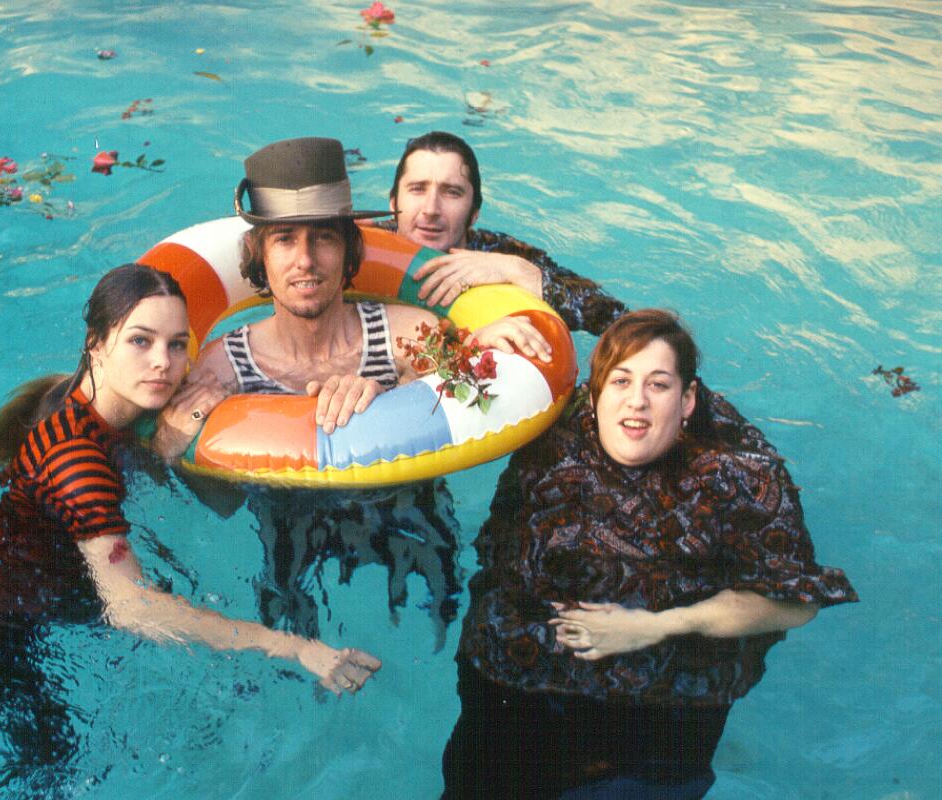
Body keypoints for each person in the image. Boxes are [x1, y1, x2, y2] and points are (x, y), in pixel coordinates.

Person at [0, 264, 380, 781]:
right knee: (53, 763)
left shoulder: (73, 398)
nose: (162, 364)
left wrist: (163, 448)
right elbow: (129, 608)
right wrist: (292, 646)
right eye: (140, 342)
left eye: (175, 345)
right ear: (97, 344)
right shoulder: (77, 461)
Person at [442, 309, 858, 799]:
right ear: (594, 397)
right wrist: (472, 338)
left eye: (658, 385)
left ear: (687, 400)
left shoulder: (739, 477)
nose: (636, 402)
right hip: (514, 686)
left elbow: (798, 602)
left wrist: (651, 627)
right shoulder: (555, 432)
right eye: (621, 381)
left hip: (657, 720)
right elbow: (442, 393)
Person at [154, 137, 547, 648]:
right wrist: (172, 445)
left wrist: (470, 355)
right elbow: (217, 501)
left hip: (411, 520)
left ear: (349, 250)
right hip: (288, 534)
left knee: (442, 630)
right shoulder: (223, 367)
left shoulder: (408, 334)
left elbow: (476, 386)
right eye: (284, 240)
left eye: (324, 238)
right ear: (259, 258)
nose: (305, 261)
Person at [380, 130, 626, 334]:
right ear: (393, 204)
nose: (431, 208)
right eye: (417, 189)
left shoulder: (500, 251)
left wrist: (519, 272)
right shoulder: (364, 246)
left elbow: (617, 319)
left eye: (452, 192)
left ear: (474, 213)